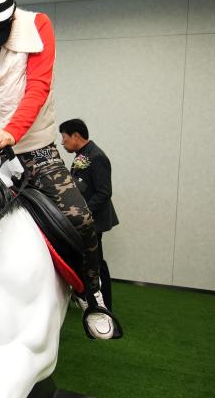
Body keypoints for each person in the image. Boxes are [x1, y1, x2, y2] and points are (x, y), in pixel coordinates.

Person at [0, 0, 115, 339]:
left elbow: (38, 88)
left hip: (34, 149)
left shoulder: (38, 25)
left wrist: (11, 131)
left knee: (81, 220)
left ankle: (93, 296)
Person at [60, 119, 119, 311]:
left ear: (76, 136)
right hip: (83, 220)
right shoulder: (82, 155)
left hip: (94, 220)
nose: (62, 142)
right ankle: (84, 296)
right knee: (84, 259)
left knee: (97, 262)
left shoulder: (97, 156)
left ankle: (105, 305)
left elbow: (104, 192)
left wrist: (83, 213)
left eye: (65, 137)